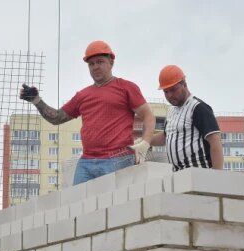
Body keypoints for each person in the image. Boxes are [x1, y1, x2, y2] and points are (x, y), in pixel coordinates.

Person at [20, 40, 155, 185]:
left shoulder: (126, 87)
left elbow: (148, 115)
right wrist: (36, 100)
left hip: (117, 158)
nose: (95, 67)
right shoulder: (83, 95)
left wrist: (145, 142)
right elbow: (57, 118)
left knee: (112, 204)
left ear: (111, 62)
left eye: (100, 62)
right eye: (91, 64)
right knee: (77, 205)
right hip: (87, 161)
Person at [149, 65, 223, 171]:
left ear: (184, 84)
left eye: (173, 90)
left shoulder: (198, 108)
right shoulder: (171, 111)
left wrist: (217, 177)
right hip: (179, 176)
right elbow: (166, 136)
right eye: (166, 91)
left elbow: (215, 140)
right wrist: (145, 140)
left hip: (200, 173)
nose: (169, 95)